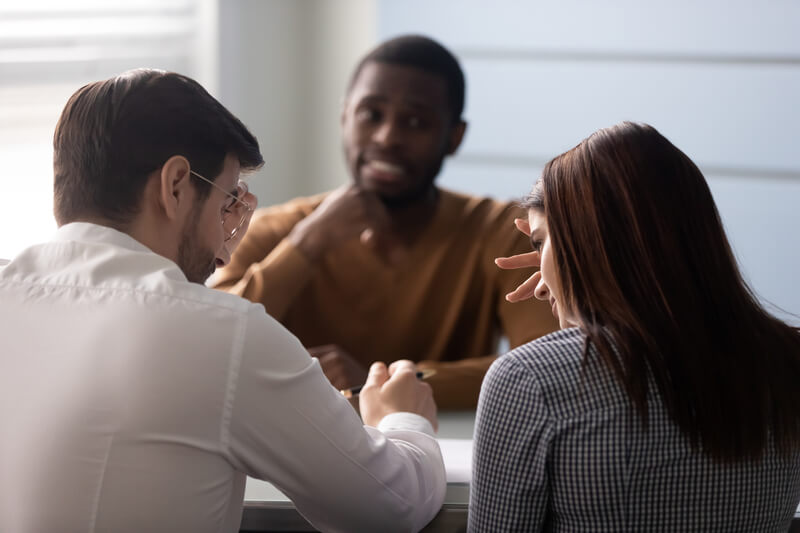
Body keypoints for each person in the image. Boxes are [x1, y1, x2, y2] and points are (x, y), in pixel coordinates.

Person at [0, 69, 446, 533]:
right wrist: (403, 419)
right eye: (226, 201)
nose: (222, 243)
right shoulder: (219, 334)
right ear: (175, 186)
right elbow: (389, 508)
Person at [469, 122, 800, 532]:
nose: (538, 265)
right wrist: (571, 282)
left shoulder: (529, 380)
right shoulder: (788, 360)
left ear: (581, 243)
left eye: (539, 243)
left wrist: (572, 293)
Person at [213, 35, 558, 409]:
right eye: (371, 115)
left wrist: (379, 383)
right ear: (345, 117)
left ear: (454, 138)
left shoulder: (503, 230)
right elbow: (207, 342)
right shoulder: (276, 231)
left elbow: (544, 363)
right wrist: (305, 248)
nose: (388, 137)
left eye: (416, 122)